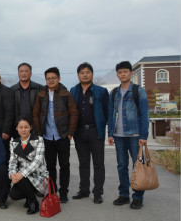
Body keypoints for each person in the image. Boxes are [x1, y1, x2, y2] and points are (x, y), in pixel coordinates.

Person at [32, 67, 78, 203]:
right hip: (46, 136)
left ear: (59, 78)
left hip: (62, 136)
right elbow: (35, 114)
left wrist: (70, 133)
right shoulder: (41, 95)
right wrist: (39, 132)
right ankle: (52, 190)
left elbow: (74, 113)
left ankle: (64, 192)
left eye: (53, 78)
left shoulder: (66, 94)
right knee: (49, 166)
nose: (51, 80)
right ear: (45, 80)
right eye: (48, 78)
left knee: (64, 165)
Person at [108, 61, 149, 209]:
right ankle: (124, 194)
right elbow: (111, 114)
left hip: (135, 134)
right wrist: (110, 133)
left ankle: (138, 196)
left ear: (131, 73)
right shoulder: (114, 93)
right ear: (117, 74)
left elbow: (145, 114)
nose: (123, 74)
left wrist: (144, 136)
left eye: (125, 71)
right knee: (121, 165)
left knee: (137, 165)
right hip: (118, 135)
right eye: (120, 72)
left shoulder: (139, 91)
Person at [70, 62, 109, 204]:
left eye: (87, 72)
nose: (85, 74)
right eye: (82, 72)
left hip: (95, 132)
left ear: (92, 74)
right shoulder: (73, 91)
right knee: (83, 163)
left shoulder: (101, 91)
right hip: (79, 132)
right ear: (78, 75)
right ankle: (84, 190)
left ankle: (98, 192)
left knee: (98, 164)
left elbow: (107, 113)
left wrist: (106, 130)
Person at [8, 118, 49, 214]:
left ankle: (33, 202)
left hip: (38, 174)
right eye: (20, 127)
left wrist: (21, 174)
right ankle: (30, 196)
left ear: (30, 127)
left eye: (26, 127)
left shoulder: (39, 140)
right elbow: (12, 161)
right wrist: (12, 174)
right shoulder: (14, 142)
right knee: (13, 194)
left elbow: (37, 161)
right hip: (22, 176)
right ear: (17, 129)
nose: (23, 130)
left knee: (21, 177)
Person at [11, 63, 43, 134]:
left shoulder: (39, 89)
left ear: (30, 73)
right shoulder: (12, 90)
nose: (23, 73)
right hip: (18, 128)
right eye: (21, 71)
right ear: (18, 73)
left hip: (35, 127)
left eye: (26, 71)